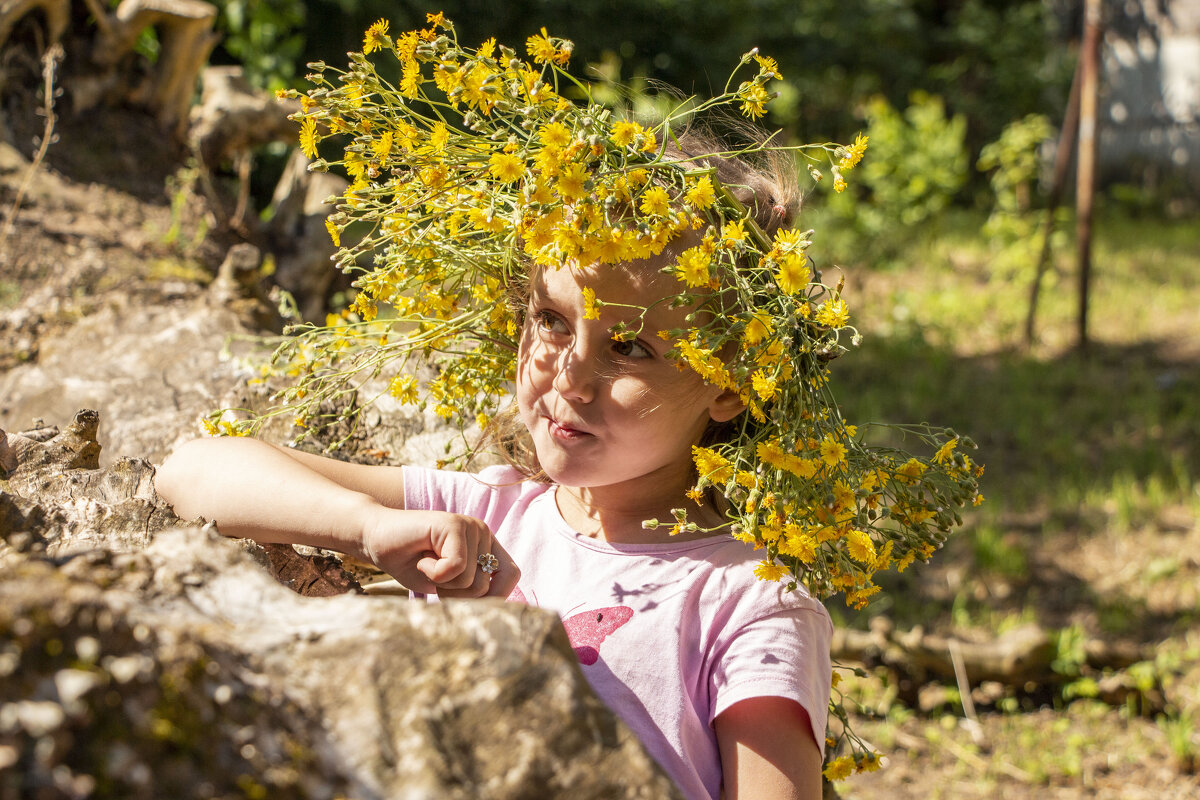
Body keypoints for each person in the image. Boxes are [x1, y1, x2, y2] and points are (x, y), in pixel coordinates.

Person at [156, 135, 833, 800]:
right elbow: (192, 470)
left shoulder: (749, 603)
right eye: (553, 320)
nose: (572, 377)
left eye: (629, 348)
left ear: (729, 385)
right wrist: (367, 528)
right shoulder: (485, 517)